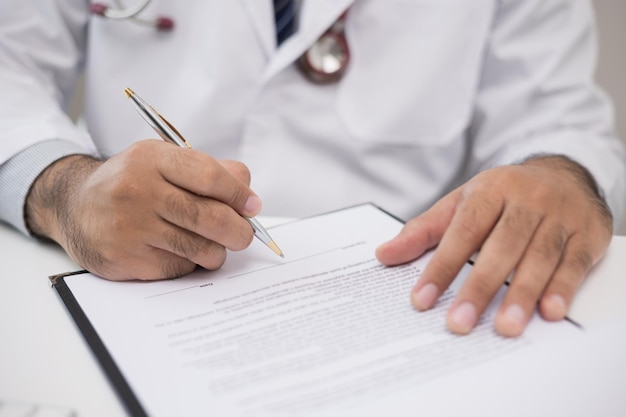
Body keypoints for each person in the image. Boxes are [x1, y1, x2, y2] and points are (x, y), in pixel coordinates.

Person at [0, 0, 624, 338]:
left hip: (388, 302)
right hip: (121, 289)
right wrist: (64, 187)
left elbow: (558, 117)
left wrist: (562, 173)